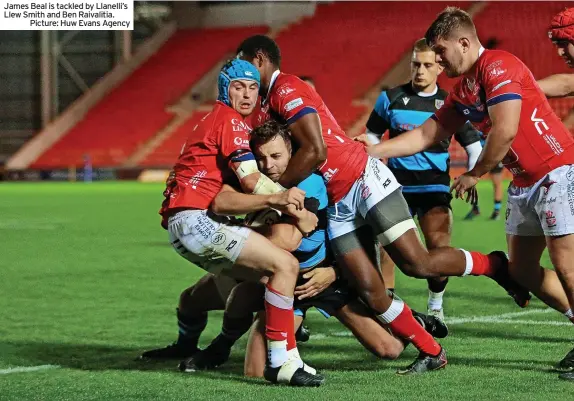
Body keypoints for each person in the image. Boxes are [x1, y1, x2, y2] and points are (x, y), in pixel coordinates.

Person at [237, 34, 529, 375]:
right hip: (338, 200)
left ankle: (493, 265)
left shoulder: (286, 87)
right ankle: (432, 351)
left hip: (363, 178)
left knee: (417, 264)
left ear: (259, 59)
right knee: (373, 292)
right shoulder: (267, 104)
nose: (243, 81)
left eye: (244, 64)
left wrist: (272, 195)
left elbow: (315, 150)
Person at [367, 6, 574, 380]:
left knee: (566, 266)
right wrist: (372, 151)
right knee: (522, 271)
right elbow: (428, 134)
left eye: (442, 52)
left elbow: (505, 129)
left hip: (556, 173)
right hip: (524, 182)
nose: (439, 61)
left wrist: (475, 173)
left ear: (464, 42)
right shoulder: (464, 87)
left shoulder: (498, 65)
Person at [181, 121, 448, 375]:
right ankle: (221, 347)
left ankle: (410, 318)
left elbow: (288, 239)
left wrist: (333, 272)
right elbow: (220, 200)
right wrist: (261, 203)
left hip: (322, 276)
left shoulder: (309, 184)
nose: (268, 165)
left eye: (275, 156)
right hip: (285, 283)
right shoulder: (254, 179)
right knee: (247, 338)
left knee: (390, 349)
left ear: (291, 152)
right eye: (261, 158)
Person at [159, 58, 324, 386]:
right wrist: (295, 208)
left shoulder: (214, 121)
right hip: (195, 222)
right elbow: (250, 180)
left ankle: (284, 354)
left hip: (188, 225)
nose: (247, 94)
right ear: (224, 89)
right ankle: (281, 361)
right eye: (238, 87)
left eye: (252, 87)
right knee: (285, 266)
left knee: (272, 276)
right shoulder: (230, 122)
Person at [363, 38, 483, 321]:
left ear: (439, 67)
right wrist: (376, 164)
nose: (420, 71)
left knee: (439, 250)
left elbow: (474, 147)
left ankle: (435, 307)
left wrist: (472, 175)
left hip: (434, 187)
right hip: (395, 189)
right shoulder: (389, 98)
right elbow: (371, 135)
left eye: (427, 65)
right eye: (416, 64)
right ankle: (389, 314)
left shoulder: (450, 104)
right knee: (388, 251)